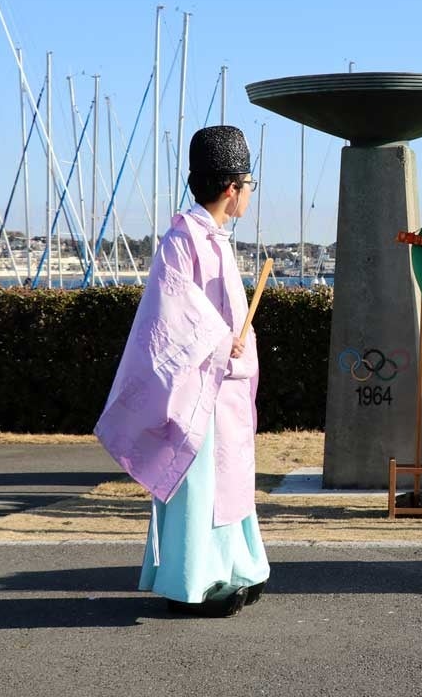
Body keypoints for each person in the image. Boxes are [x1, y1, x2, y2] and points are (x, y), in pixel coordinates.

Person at [95, 125, 269, 617]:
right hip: (199, 385)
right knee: (201, 482)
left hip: (222, 382)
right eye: (249, 184)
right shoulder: (183, 238)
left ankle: (238, 567)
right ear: (232, 187)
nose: (250, 194)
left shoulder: (215, 238)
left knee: (230, 478)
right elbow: (171, 312)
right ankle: (193, 582)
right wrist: (220, 340)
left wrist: (232, 345)